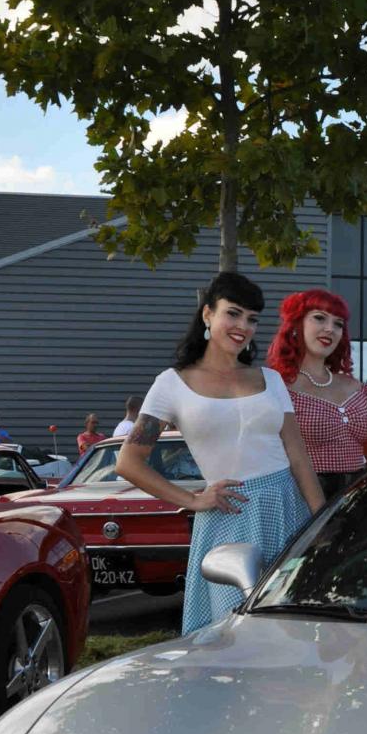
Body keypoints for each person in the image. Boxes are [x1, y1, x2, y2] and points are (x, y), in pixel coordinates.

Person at [117, 271, 324, 633]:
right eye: (233, 313)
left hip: (287, 511)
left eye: (252, 318)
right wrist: (193, 499)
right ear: (208, 314)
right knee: (231, 635)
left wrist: (324, 525)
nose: (243, 325)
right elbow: (128, 462)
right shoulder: (171, 384)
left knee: (292, 629)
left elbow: (298, 457)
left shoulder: (271, 379)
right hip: (228, 516)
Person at [267, 287, 367, 499]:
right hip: (301, 496)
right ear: (296, 325)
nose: (330, 329)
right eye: (320, 318)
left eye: (338, 324)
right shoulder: (278, 387)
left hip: (354, 496)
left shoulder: (354, 387)